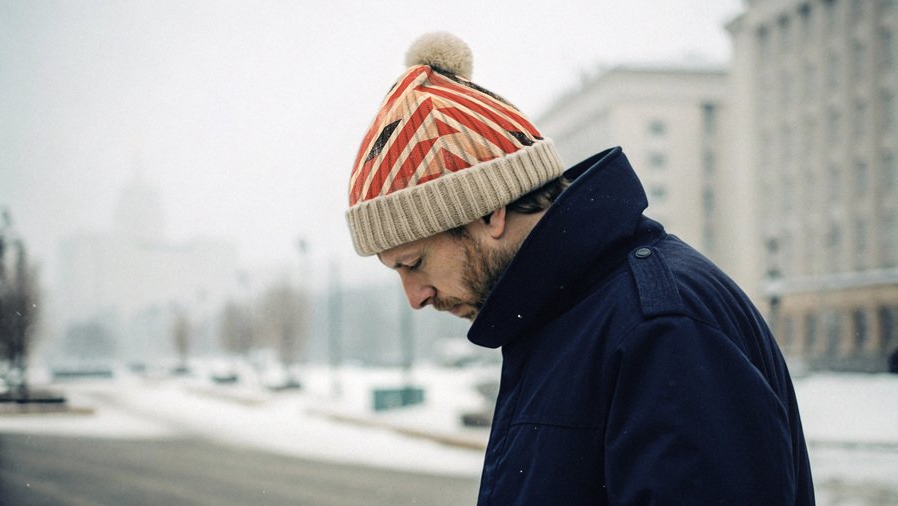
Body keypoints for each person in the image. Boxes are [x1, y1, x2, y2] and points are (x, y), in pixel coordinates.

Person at [346, 32, 815, 505]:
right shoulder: (565, 320)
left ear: (489, 212)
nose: (415, 297)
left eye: (413, 263)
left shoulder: (659, 329)